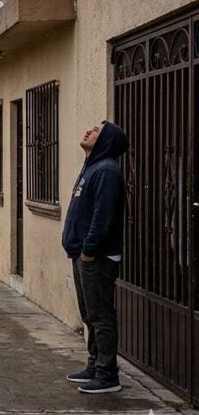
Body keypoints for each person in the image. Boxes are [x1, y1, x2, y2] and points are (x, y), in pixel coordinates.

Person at [63, 121, 128, 394]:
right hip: (82, 255)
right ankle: (94, 363)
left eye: (97, 130)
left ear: (106, 141)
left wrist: (89, 250)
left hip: (96, 258)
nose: (89, 130)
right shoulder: (91, 167)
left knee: (100, 315)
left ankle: (107, 373)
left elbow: (103, 217)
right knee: (89, 314)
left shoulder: (107, 171)